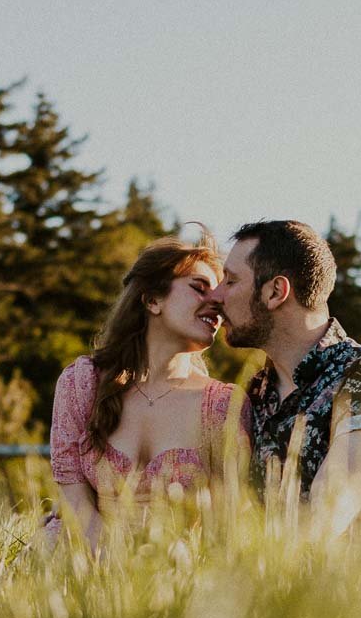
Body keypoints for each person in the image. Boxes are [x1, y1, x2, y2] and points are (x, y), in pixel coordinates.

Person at [204, 219, 361, 534]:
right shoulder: (253, 395)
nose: (215, 296)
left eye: (230, 281)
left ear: (275, 292)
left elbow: (328, 512)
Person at [48, 234, 244, 551]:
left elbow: (226, 522)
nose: (216, 302)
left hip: (171, 566)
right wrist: (110, 561)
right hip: (80, 551)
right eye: (198, 287)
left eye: (220, 295)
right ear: (153, 300)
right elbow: (74, 495)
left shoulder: (222, 405)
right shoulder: (82, 382)